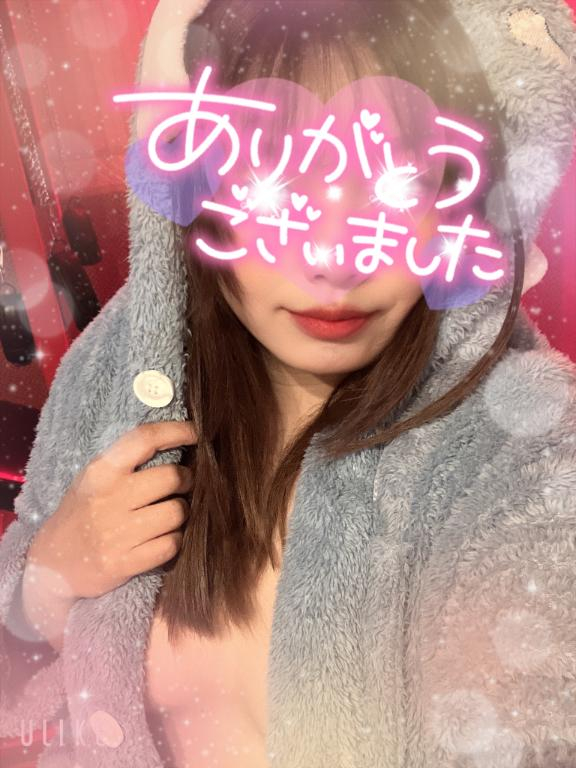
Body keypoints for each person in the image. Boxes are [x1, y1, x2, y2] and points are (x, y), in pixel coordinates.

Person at [0, 1, 575, 767]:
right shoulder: (113, 372)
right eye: (271, 173)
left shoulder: (523, 449)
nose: (333, 258)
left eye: (398, 179)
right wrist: (46, 581)